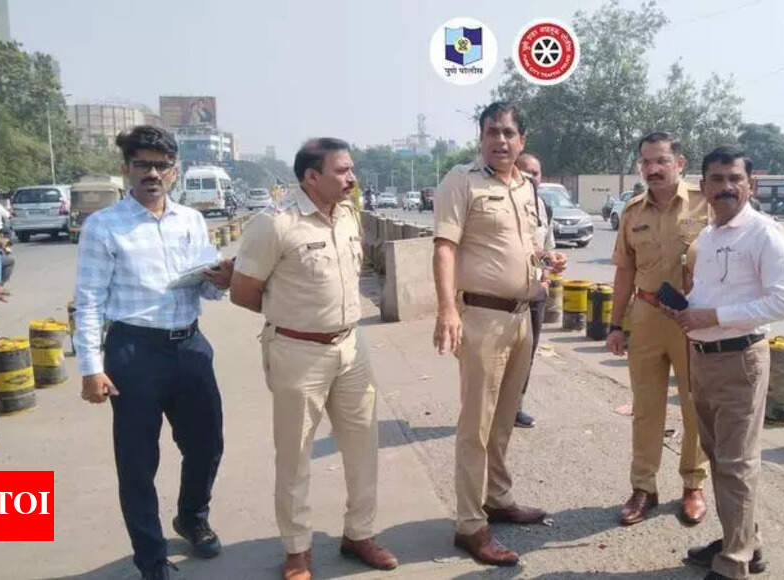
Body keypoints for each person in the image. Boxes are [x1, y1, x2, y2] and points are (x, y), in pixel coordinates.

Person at [230, 138, 398, 579]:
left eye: (351, 169)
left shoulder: (347, 216)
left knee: (363, 446)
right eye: (342, 171)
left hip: (351, 347)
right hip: (297, 351)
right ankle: (297, 550)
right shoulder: (275, 224)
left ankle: (359, 534)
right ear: (311, 177)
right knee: (295, 455)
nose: (352, 178)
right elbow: (243, 291)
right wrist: (293, 318)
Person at [74, 126, 233, 580]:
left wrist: (219, 280)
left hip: (190, 347)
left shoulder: (191, 221)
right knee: (138, 462)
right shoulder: (104, 226)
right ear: (126, 169)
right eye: (142, 164)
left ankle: (192, 517)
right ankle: (151, 558)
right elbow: (89, 301)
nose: (152, 174)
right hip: (134, 352)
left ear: (174, 171)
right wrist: (91, 368)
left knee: (206, 444)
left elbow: (206, 289)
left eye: (161, 165)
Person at [433, 101, 566, 566]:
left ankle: (498, 497)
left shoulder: (526, 187)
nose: (500, 140)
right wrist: (447, 309)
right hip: (482, 318)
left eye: (509, 133)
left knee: (505, 417)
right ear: (481, 137)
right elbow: (444, 248)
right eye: (492, 132)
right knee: (477, 424)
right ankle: (470, 524)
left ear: (522, 140)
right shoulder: (461, 181)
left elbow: (529, 244)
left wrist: (547, 263)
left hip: (521, 316)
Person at [666, 146, 784, 580]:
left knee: (736, 463)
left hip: (740, 359)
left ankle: (733, 564)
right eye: (717, 179)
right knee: (720, 460)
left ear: (750, 185)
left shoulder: (765, 233)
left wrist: (715, 317)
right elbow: (711, 294)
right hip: (703, 358)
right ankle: (743, 542)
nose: (725, 187)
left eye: (734, 179)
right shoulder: (708, 236)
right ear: (703, 186)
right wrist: (688, 309)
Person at [606, 131, 710, 528]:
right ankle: (643, 487)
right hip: (647, 316)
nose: (653, 168)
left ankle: (693, 485)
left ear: (679, 163)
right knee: (646, 408)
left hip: (691, 320)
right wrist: (615, 324)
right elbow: (624, 272)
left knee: (694, 406)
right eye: (646, 162)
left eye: (661, 160)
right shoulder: (633, 212)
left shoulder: (704, 204)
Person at [513, 152, 555, 428]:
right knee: (500, 356)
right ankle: (490, 409)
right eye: (525, 172)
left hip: (535, 292)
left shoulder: (543, 207)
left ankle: (515, 406)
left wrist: (547, 278)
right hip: (506, 294)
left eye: (535, 173)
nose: (530, 177)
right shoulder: (503, 202)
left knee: (527, 353)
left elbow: (547, 248)